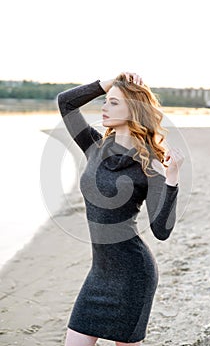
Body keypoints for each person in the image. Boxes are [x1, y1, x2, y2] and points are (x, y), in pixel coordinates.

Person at [57, 72, 185, 346]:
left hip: (133, 276)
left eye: (114, 103)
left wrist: (172, 180)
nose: (104, 107)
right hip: (98, 274)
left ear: (134, 109)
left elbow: (161, 231)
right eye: (105, 101)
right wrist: (107, 82)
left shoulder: (149, 165)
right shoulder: (93, 145)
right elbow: (66, 103)